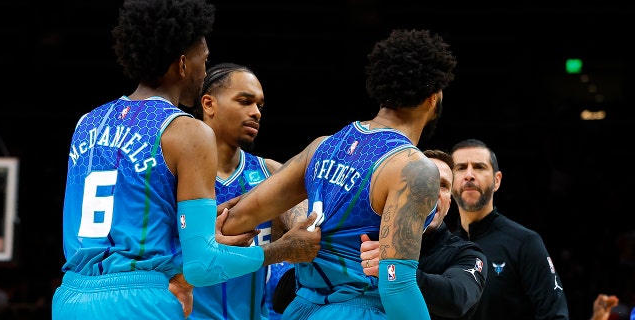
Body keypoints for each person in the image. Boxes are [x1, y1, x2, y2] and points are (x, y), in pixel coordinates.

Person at [52, 1, 321, 319]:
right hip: (140, 301)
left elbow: (131, 217)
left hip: (70, 297)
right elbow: (203, 266)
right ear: (182, 65)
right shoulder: (186, 130)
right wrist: (283, 250)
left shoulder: (87, 123)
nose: (204, 72)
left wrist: (202, 229)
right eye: (203, 61)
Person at [221, 28, 458, 320]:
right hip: (360, 308)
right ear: (433, 98)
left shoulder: (324, 145)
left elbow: (235, 221)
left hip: (302, 308)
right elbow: (398, 286)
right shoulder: (414, 168)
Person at [186, 63, 304, 320]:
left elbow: (308, 226)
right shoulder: (178, 174)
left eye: (259, 106)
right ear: (208, 104)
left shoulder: (272, 173)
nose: (256, 113)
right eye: (244, 101)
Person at [358, 149, 487, 319]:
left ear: (448, 204)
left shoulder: (467, 253)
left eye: (443, 185)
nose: (432, 191)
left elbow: (457, 298)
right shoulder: (367, 240)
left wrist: (394, 269)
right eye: (423, 179)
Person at [450, 138, 569, 319]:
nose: (469, 175)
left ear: (497, 181)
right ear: (449, 181)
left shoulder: (525, 242)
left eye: (479, 167)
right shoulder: (444, 247)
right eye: (460, 168)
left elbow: (555, 315)